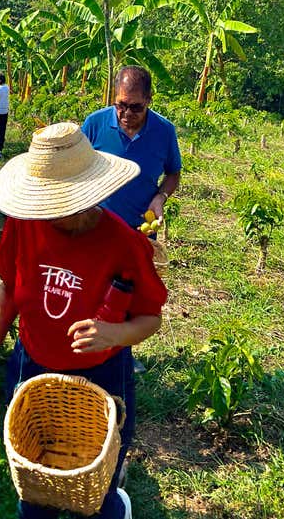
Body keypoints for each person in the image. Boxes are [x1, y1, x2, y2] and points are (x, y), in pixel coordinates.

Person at [0, 122, 167, 519]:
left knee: (98, 491)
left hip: (103, 375)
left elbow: (151, 318)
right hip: (32, 366)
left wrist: (114, 333)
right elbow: (8, 293)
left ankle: (115, 504)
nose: (48, 214)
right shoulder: (23, 225)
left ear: (84, 197)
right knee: (36, 487)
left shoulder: (124, 244)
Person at [81, 65, 182, 373]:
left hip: (139, 229)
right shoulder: (95, 124)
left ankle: (121, 353)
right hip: (96, 227)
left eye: (135, 107)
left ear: (149, 99)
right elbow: (79, 169)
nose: (126, 113)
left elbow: (173, 173)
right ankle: (87, 349)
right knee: (91, 288)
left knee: (128, 293)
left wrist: (159, 197)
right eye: (120, 105)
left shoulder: (164, 131)